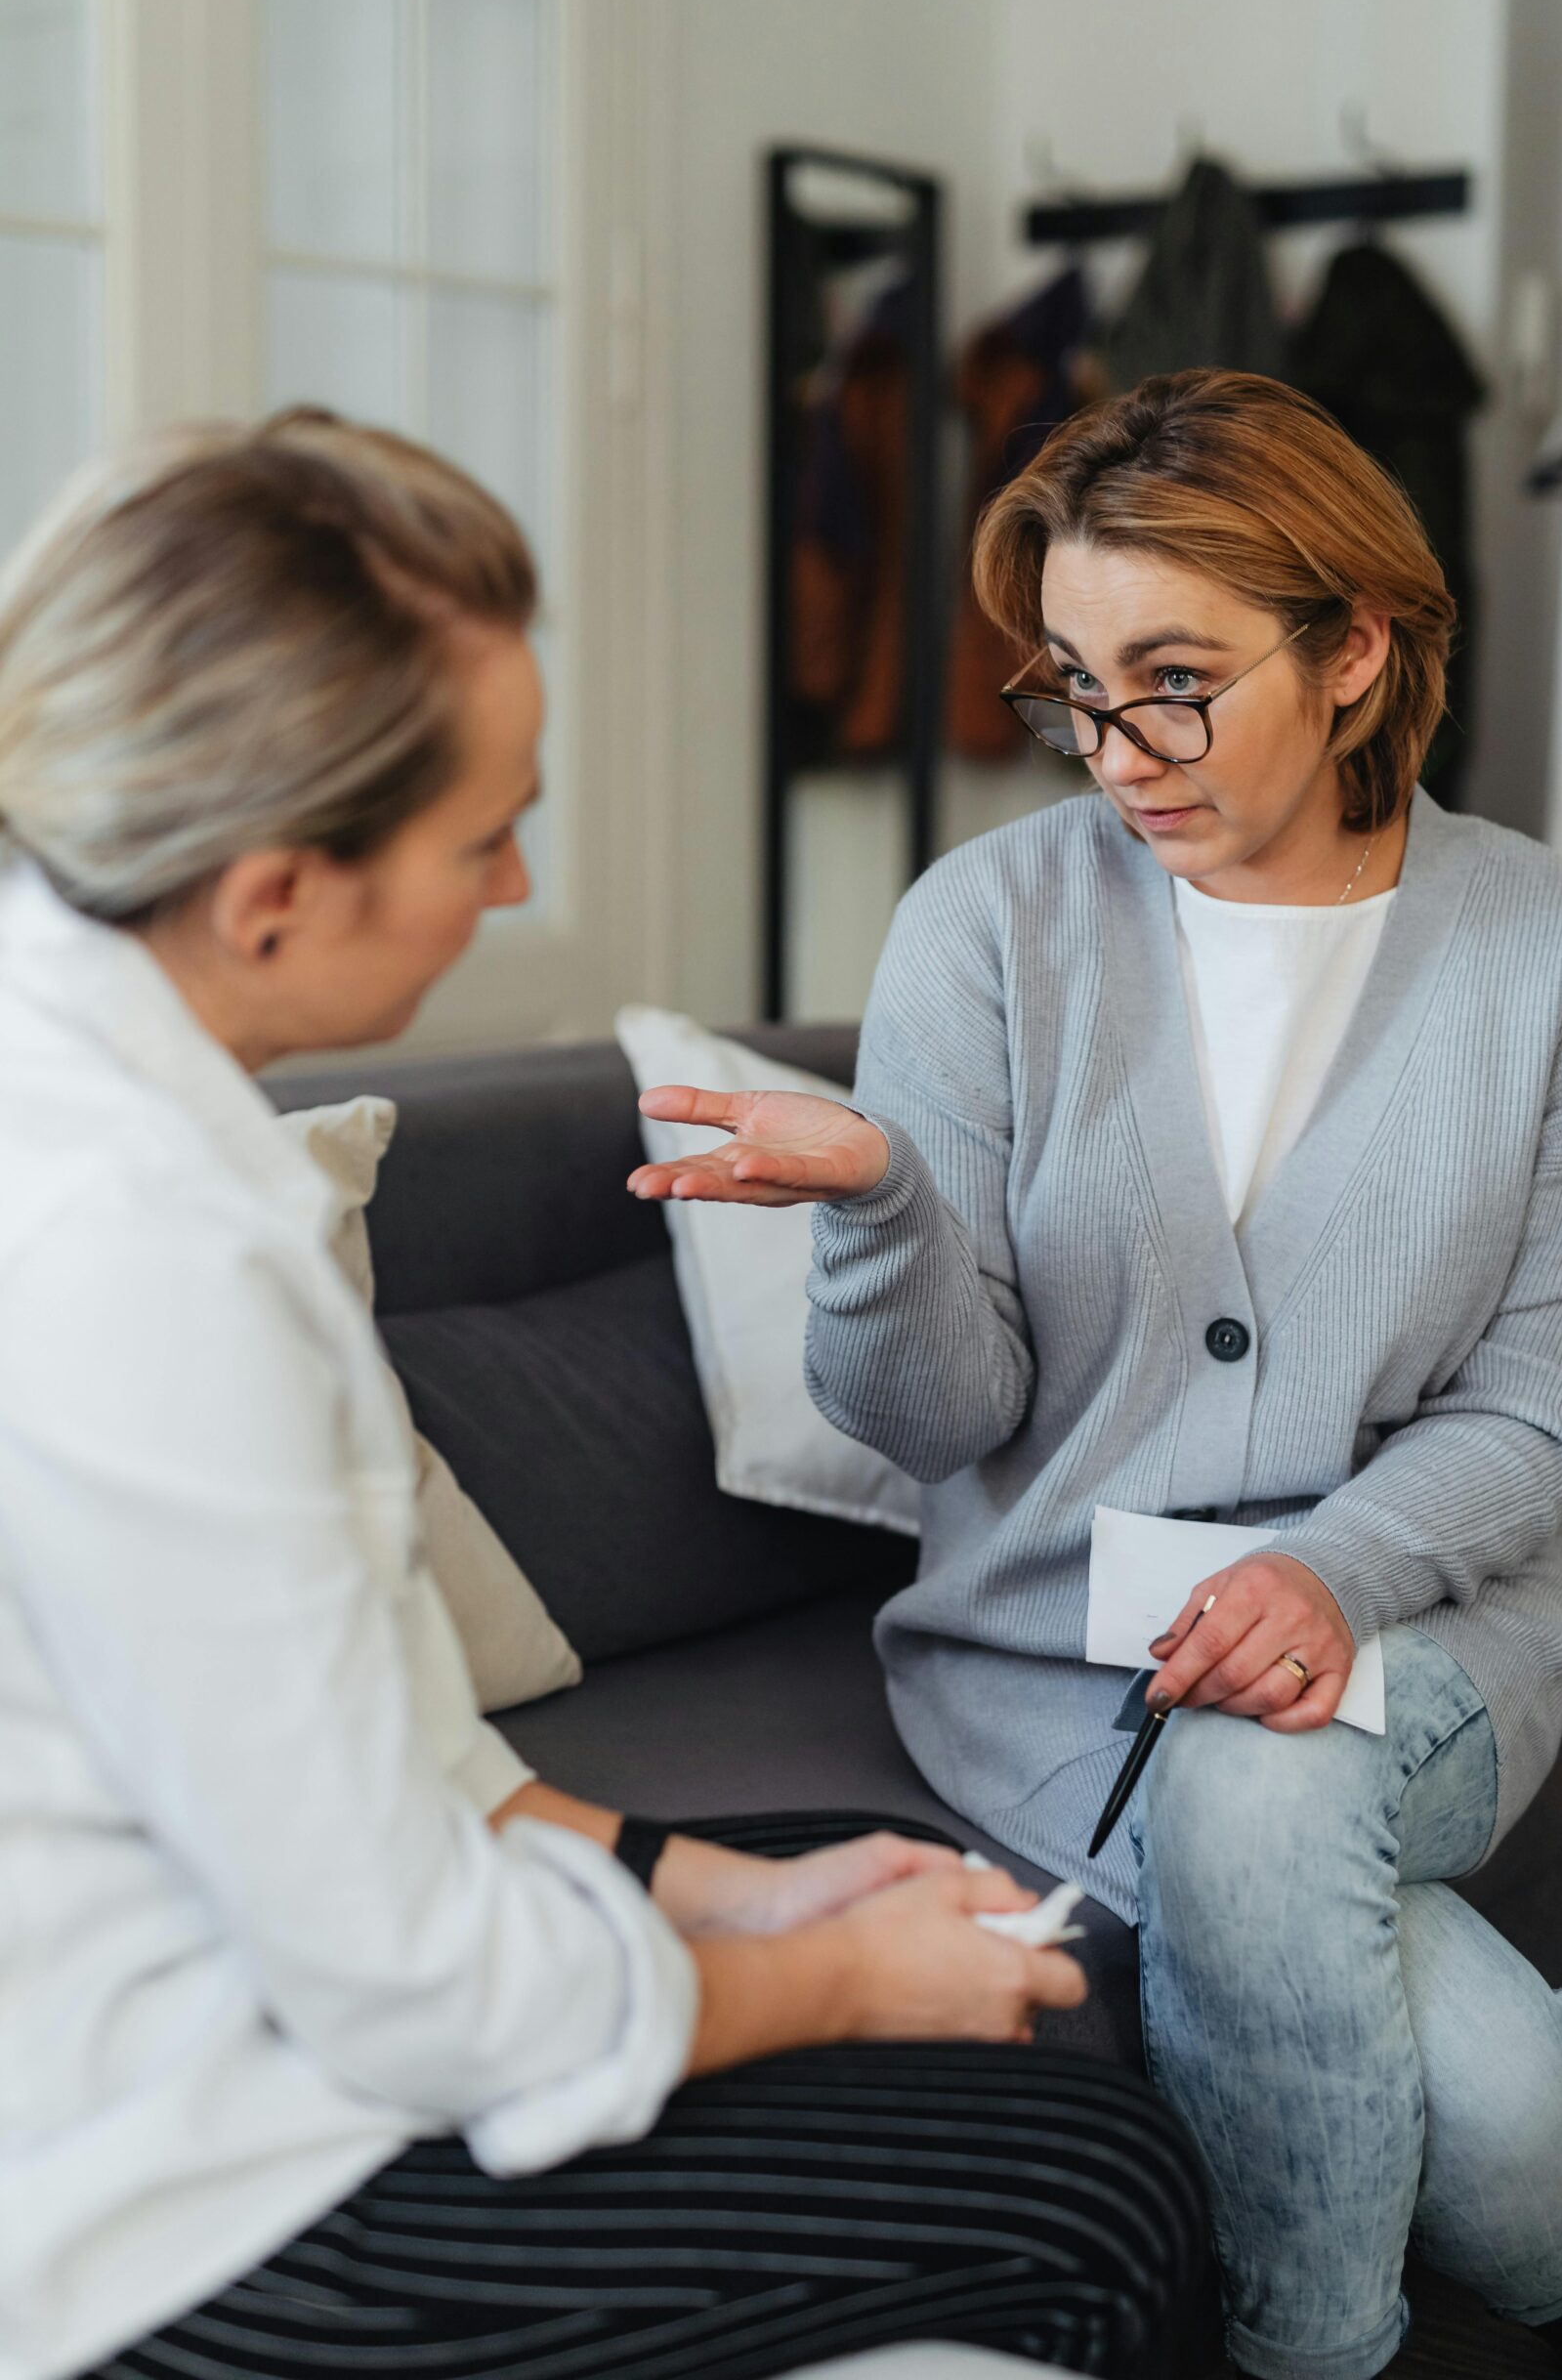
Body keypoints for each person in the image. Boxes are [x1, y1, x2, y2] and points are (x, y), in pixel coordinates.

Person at [0, 412, 1215, 2380]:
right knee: (1094, 2190)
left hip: (277, 1984)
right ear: (273, 893)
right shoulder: (141, 1263)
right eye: (482, 833)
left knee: (920, 1889)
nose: (517, 879)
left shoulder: (116, 1094)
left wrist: (742, 1882)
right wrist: (825, 1978)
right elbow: (411, 1982)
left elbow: (385, 1758)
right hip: (186, 2204)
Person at [629, 370, 1562, 2380]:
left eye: (1173, 680)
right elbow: (932, 1422)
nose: (1114, 752)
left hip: (1431, 1631)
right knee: (1512, 2114)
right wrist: (880, 1203)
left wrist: (1326, 1569)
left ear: (1354, 646)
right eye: (1076, 690)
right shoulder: (986, 929)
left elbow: (1544, 1403)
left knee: (1267, 1791)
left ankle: (1304, 2351)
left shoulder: (1560, 958)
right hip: (1042, 1660)